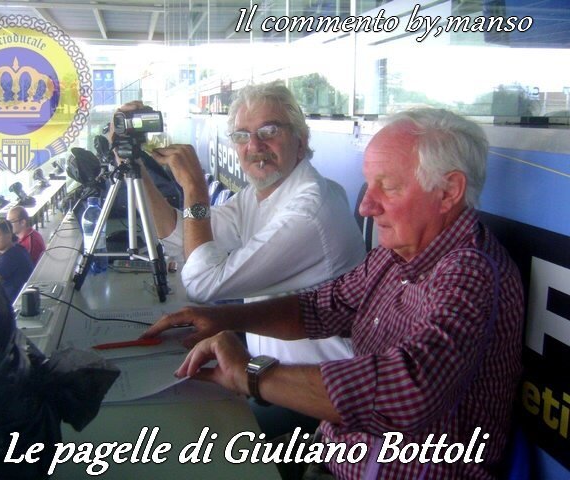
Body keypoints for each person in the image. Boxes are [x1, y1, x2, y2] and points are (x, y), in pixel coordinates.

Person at [145, 108, 525, 479]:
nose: (366, 205)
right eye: (369, 184)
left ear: (448, 192)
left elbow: (407, 389)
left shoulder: (471, 272)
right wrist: (220, 319)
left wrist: (249, 374)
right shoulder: (395, 254)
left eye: (389, 187)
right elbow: (319, 308)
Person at [115, 82, 365, 437]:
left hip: (318, 400)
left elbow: (203, 283)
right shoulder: (261, 194)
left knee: (186, 438)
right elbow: (180, 237)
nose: (255, 146)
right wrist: (135, 164)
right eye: (242, 136)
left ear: (301, 140)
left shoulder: (310, 210)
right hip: (272, 376)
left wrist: (195, 189)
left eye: (270, 131)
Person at [0, 219, 33, 302]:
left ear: (9, 236)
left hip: (15, 302)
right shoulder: (17, 248)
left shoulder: (9, 258)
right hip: (25, 296)